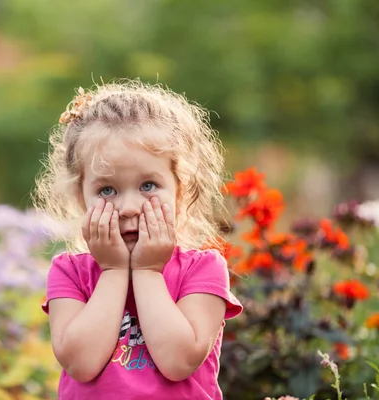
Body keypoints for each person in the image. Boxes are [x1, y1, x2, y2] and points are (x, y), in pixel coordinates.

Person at [34, 79, 243, 399]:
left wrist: (146, 270)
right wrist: (114, 271)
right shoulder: (70, 273)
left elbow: (178, 361)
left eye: (148, 185)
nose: (129, 207)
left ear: (180, 189)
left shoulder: (203, 269)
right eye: (107, 190)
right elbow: (81, 363)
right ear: (81, 199)